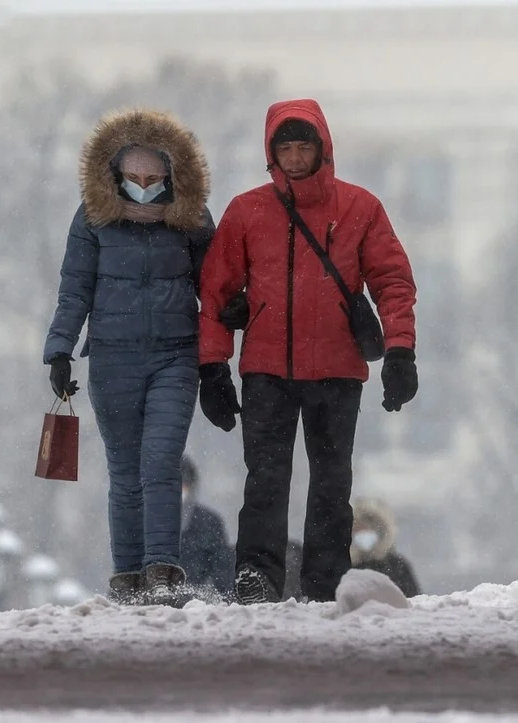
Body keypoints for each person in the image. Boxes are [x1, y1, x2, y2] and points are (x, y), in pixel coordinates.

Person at [197, 98, 418, 604]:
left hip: (338, 370)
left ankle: (324, 582)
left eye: (304, 147)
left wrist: (401, 350)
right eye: (286, 148)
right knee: (266, 480)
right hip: (266, 370)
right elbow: (215, 292)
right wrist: (213, 368)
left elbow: (393, 282)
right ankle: (256, 578)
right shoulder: (247, 211)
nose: (295, 158)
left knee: (331, 484)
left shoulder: (360, 208)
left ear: (323, 148)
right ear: (271, 152)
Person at [43, 108, 214, 606]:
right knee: (125, 471)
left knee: (161, 461)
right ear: (115, 174)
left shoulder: (193, 218)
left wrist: (226, 338)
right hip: (113, 360)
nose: (143, 186)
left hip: (174, 358)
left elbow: (217, 284)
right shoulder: (93, 217)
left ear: (171, 175)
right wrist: (60, 351)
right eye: (134, 178)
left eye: (153, 178)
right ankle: (128, 575)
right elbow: (74, 289)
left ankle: (162, 567)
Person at [179, 455, 233, 598]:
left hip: (194, 601)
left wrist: (228, 599)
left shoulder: (209, 522)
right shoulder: (144, 523)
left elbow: (222, 568)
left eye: (182, 485)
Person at [351, 498, 420, 598]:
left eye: (365, 529)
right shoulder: (345, 565)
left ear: (379, 531)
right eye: (356, 530)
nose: (360, 534)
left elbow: (412, 601)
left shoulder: (397, 566)